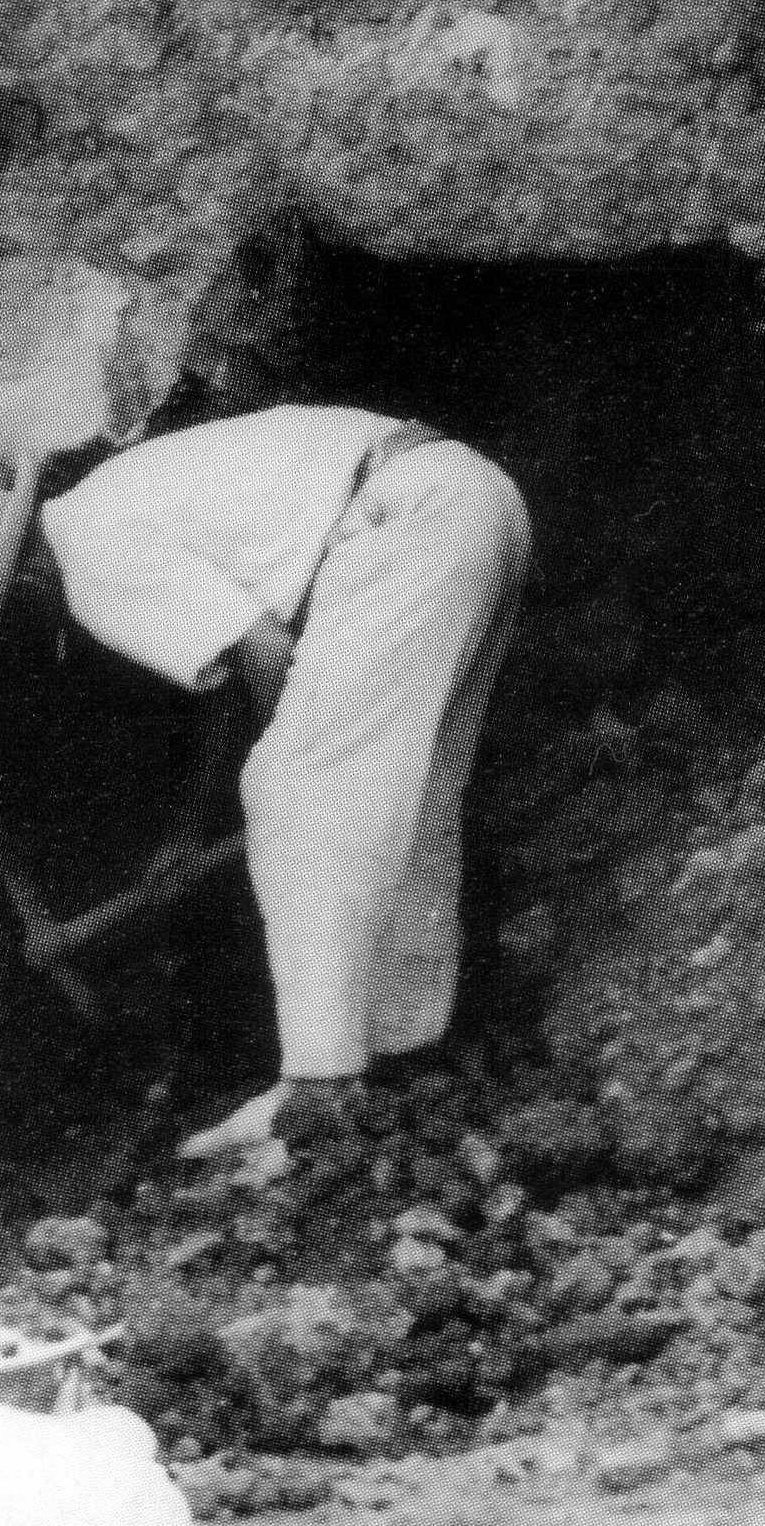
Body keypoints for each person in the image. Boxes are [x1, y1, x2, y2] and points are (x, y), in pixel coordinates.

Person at [36, 405, 532, 1159]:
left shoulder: (82, 548)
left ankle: (318, 1092)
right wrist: (200, 824)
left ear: (22, 575)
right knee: (411, 800)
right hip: (474, 501)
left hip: (404, 522)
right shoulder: (128, 495)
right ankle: (404, 1058)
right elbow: (244, 668)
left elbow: (264, 653)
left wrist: (296, 775)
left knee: (299, 787)